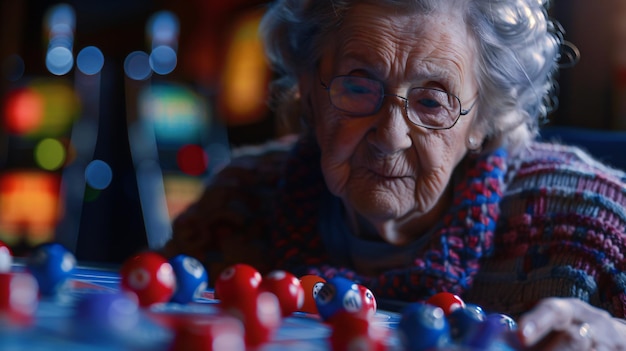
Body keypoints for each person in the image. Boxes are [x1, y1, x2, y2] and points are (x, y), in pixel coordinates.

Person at [163, 0, 626, 349]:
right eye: (360, 85)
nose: (391, 136)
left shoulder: (589, 221)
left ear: (484, 120)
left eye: (431, 101)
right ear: (308, 92)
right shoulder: (240, 203)